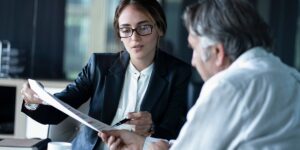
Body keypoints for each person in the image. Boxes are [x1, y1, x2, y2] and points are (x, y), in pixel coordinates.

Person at [98, 0, 300, 149]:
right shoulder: (289, 76)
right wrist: (143, 144)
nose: (193, 61)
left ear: (218, 53)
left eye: (194, 49)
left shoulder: (228, 86)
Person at [20, 0, 191, 149]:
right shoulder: (99, 66)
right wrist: (33, 101)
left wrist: (151, 129)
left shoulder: (178, 74)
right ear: (119, 35)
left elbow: (178, 134)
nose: (135, 37)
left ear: (159, 28)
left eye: (144, 27)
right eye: (126, 29)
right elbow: (57, 111)